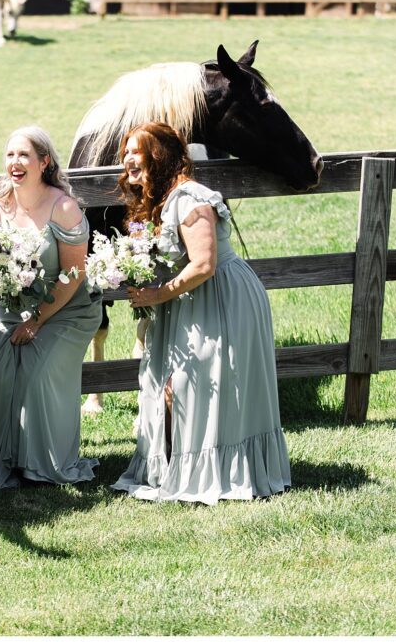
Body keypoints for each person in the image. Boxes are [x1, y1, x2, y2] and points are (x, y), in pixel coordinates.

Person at [111, 121, 291, 505]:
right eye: (125, 151)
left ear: (159, 157)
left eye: (136, 150)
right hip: (189, 299)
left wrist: (158, 294)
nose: (128, 158)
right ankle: (179, 466)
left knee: (197, 383)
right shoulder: (157, 201)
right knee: (176, 386)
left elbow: (204, 263)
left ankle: (223, 470)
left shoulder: (189, 198)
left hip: (223, 295)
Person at [0, 126, 101, 487]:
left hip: (67, 309)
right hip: (11, 308)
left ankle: (43, 463)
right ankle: (2, 461)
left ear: (43, 162)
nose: (15, 162)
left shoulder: (63, 207)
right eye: (10, 154)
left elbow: (74, 273)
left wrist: (37, 321)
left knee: (37, 369)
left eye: (24, 155)